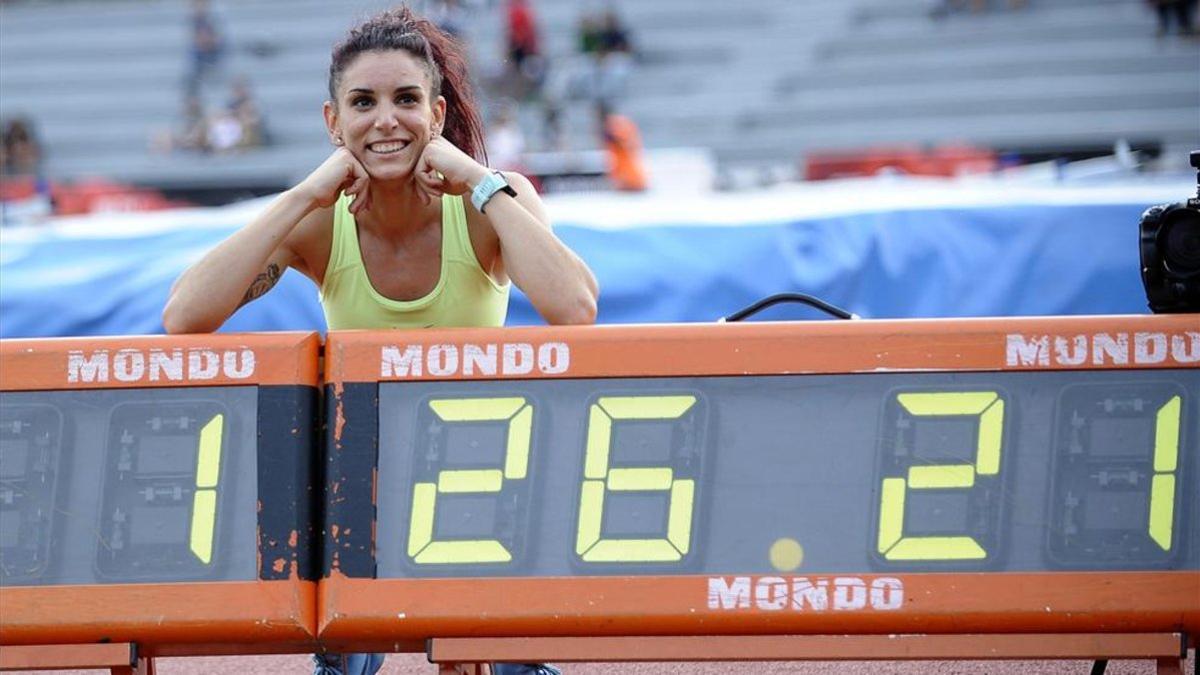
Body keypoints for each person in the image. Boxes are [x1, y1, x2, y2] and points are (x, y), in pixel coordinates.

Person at [162, 7, 596, 674]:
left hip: (483, 481)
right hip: (363, 493)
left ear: (439, 113)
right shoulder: (319, 223)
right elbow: (185, 316)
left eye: (406, 99)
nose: (385, 120)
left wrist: (481, 182)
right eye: (362, 103)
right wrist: (306, 192)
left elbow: (574, 308)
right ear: (333, 122)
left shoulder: (490, 206)